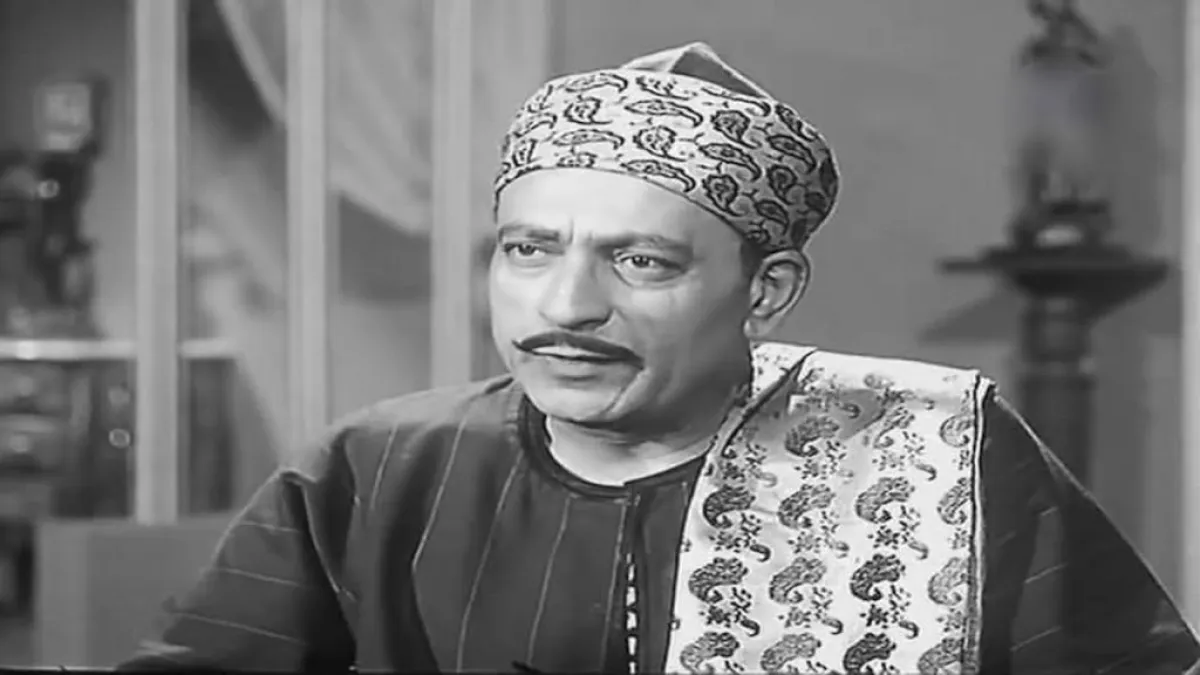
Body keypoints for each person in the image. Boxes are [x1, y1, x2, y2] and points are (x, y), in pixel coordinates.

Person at [117, 42, 1199, 674]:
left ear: (766, 292)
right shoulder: (375, 466)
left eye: (639, 261)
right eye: (529, 250)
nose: (565, 306)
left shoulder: (939, 447)